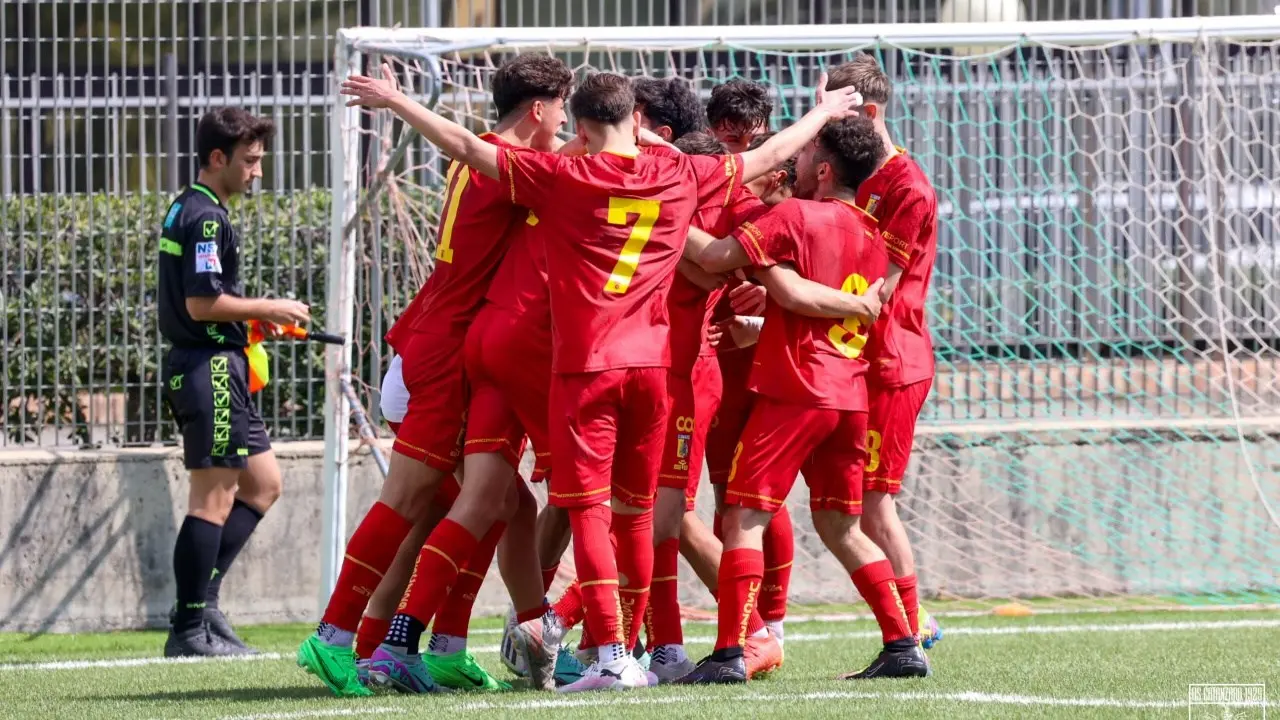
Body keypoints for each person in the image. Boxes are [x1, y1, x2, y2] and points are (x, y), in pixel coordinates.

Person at [339, 63, 865, 692]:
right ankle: (636, 651)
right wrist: (823, 112)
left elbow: (468, 146)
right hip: (653, 369)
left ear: (582, 128)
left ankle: (603, 652)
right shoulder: (678, 173)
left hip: (583, 367)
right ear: (635, 121)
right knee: (636, 516)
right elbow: (767, 156)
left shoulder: (566, 176)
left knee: (576, 510)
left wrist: (399, 101)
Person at [298, 53, 575, 698]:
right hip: (445, 355)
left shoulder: (481, 154)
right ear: (537, 109)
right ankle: (345, 638)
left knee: (503, 502)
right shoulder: (502, 166)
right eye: (559, 110)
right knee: (412, 504)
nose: (563, 123)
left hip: (436, 343)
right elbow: (577, 165)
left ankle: (447, 645)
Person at [677, 115, 929, 683]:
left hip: (797, 391)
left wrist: (663, 216)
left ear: (822, 167)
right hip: (850, 394)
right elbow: (830, 302)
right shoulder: (871, 229)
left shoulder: (793, 216)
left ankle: (728, 655)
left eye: (807, 147)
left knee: (742, 517)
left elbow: (716, 258)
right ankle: (903, 642)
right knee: (842, 526)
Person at [156, 108, 309, 657]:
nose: (257, 173)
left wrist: (252, 320)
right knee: (212, 501)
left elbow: (201, 302)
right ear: (218, 159)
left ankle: (204, 602)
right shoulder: (205, 218)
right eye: (249, 161)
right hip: (209, 369)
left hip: (220, 365)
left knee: (264, 485)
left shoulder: (189, 206)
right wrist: (268, 304)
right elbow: (200, 303)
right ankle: (188, 630)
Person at [827, 55, 944, 657]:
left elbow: (880, 290)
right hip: (852, 361)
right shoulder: (850, 175)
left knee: (873, 505)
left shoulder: (908, 187)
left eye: (834, 108)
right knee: (850, 506)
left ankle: (911, 628)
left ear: (868, 114)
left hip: (892, 363)